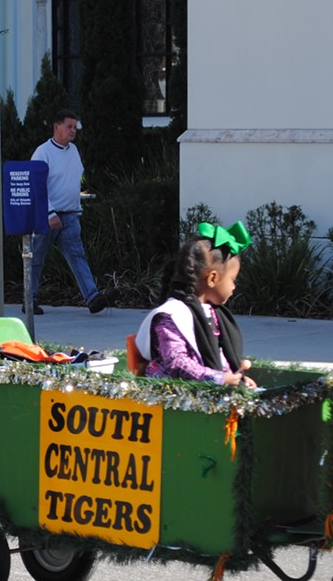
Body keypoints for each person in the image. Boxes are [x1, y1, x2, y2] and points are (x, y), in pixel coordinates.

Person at [136, 222, 256, 388]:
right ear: (212, 278)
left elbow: (217, 356)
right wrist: (219, 378)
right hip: (173, 396)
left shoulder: (212, 313)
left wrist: (238, 379)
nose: (234, 287)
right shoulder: (171, 316)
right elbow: (176, 363)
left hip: (206, 391)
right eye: (233, 280)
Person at [27, 108, 117, 315]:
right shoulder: (43, 152)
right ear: (56, 127)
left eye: (75, 127)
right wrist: (49, 213)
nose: (73, 131)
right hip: (48, 217)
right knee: (36, 258)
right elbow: (36, 185)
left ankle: (93, 297)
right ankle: (29, 299)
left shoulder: (73, 150)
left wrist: (76, 209)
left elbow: (74, 181)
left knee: (78, 256)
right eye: (69, 127)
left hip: (69, 215)